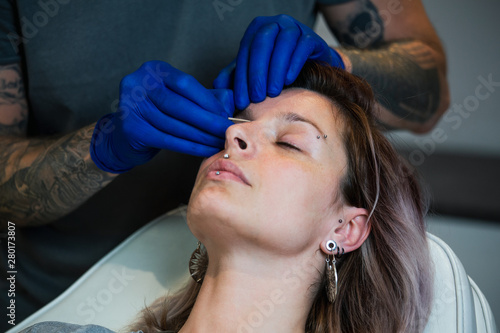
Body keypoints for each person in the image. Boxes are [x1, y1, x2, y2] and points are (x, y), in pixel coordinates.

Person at [0, 0, 446, 327]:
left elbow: (432, 87)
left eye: (290, 142)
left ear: (344, 229)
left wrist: (339, 62)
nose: (233, 134)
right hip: (44, 291)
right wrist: (102, 145)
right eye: (239, 123)